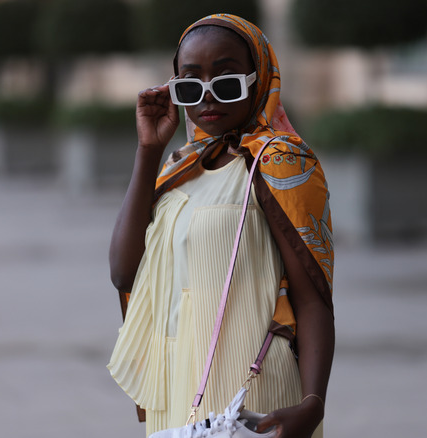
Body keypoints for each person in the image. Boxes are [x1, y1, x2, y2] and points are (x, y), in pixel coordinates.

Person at [107, 14, 334, 438]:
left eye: (227, 82)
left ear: (259, 78)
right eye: (191, 85)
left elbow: (313, 299)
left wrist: (312, 405)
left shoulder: (281, 161)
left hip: (247, 389)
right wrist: (147, 152)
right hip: (176, 384)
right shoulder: (179, 167)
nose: (207, 98)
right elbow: (124, 272)